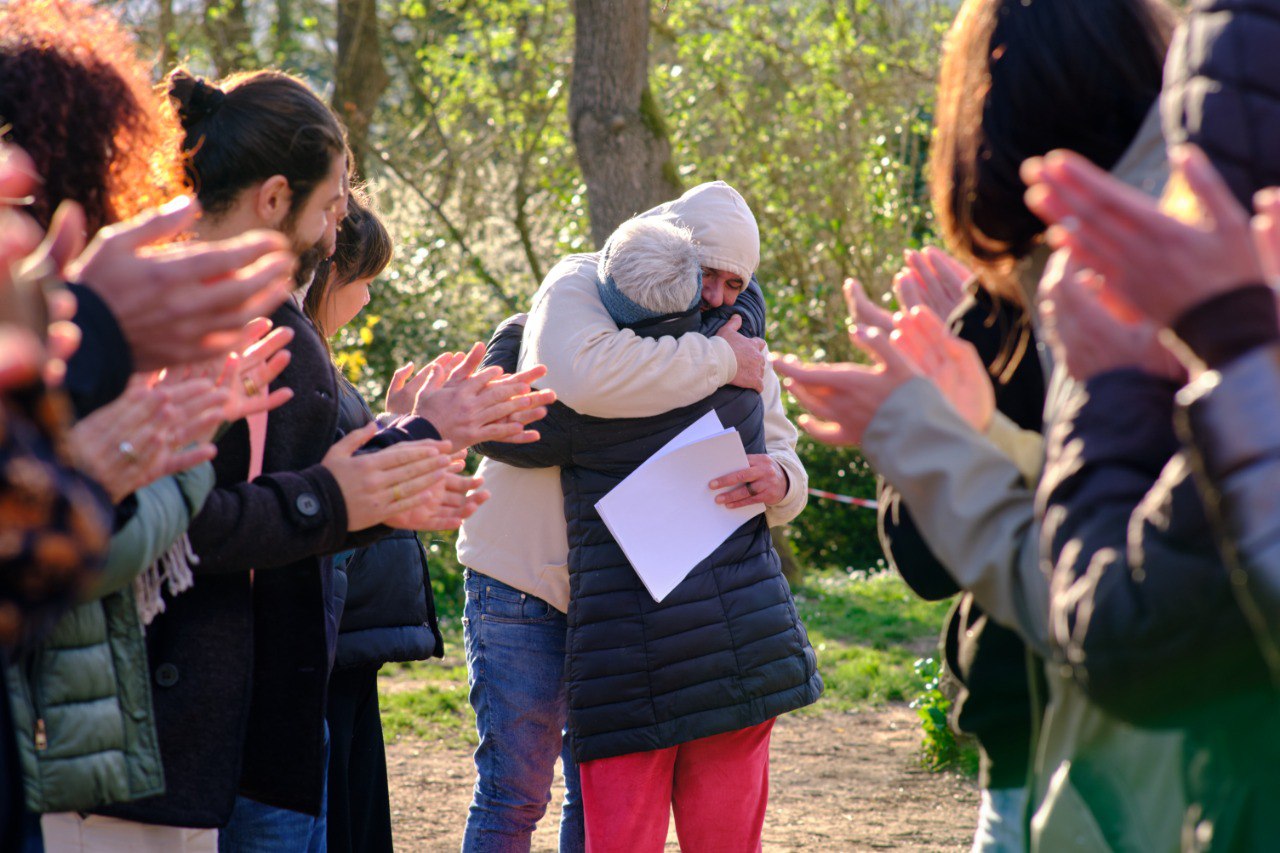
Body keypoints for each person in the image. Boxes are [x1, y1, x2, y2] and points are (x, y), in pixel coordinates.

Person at [89, 68, 543, 852]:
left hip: (213, 731)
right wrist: (415, 441)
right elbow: (186, 522)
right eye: (331, 206)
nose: (337, 235)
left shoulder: (171, 297)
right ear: (273, 199)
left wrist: (383, 491)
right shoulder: (249, 325)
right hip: (213, 739)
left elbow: (285, 512)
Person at [773, 0, 1187, 849]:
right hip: (1029, 738)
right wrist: (942, 403)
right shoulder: (994, 308)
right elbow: (926, 559)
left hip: (1151, 745)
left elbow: (1134, 568)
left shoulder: (1182, 286)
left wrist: (941, 428)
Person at [455, 180, 804, 852]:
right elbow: (582, 379)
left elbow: (779, 441)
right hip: (525, 581)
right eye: (712, 275)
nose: (721, 297)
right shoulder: (581, 283)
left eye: (738, 283)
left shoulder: (736, 332)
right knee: (514, 794)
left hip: (623, 603)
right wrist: (721, 360)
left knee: (595, 802)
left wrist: (783, 479)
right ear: (679, 251)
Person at [303, 197, 475, 853]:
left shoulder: (324, 362)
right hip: (336, 636)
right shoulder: (310, 366)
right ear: (332, 276)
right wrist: (412, 432)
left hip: (352, 634)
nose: (371, 295)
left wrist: (402, 427)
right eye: (365, 278)